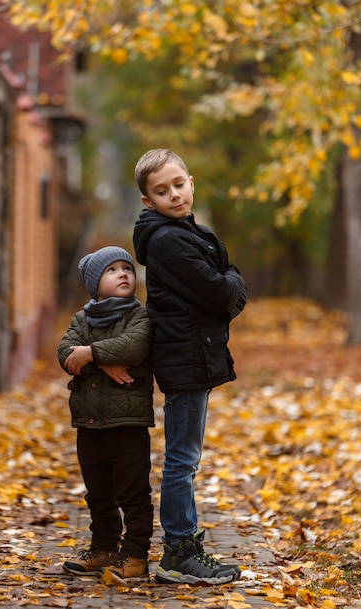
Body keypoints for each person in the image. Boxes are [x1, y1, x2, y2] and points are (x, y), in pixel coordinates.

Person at [133, 149, 248, 585]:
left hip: (193, 356)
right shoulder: (168, 240)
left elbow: (224, 283)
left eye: (178, 184)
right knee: (182, 459)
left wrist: (229, 285)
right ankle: (178, 553)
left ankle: (183, 548)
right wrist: (234, 288)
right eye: (162, 191)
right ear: (148, 201)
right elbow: (222, 292)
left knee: (187, 457)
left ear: (192, 182)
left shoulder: (186, 231)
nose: (174, 195)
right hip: (185, 361)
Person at [57, 246, 154, 581]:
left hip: (128, 424)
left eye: (127, 268)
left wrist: (92, 354)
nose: (123, 273)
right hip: (90, 424)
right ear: (95, 283)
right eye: (112, 270)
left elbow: (135, 346)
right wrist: (99, 362)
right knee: (97, 492)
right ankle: (103, 548)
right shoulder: (82, 319)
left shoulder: (139, 315)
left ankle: (137, 554)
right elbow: (64, 353)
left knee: (133, 492)